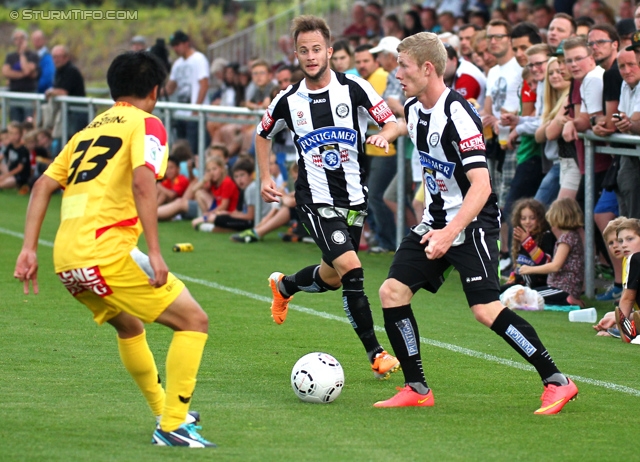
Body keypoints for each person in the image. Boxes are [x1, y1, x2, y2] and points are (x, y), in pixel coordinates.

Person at [13, 51, 215, 447]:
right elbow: (144, 182)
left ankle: (167, 411)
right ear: (155, 90)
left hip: (66, 257)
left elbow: (41, 187)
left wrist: (28, 249)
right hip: (106, 254)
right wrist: (155, 251)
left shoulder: (86, 132)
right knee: (194, 321)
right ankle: (173, 426)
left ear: (113, 88)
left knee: (129, 326)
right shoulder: (149, 124)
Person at [373, 32, 578, 414]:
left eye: (403, 66)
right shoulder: (416, 107)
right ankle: (417, 387)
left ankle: (558, 381)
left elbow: (481, 187)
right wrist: (387, 132)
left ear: (427, 68)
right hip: (436, 222)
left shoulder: (458, 113)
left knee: (485, 310)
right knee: (392, 292)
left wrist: (451, 233)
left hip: (472, 225)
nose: (396, 73)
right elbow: (409, 127)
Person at [256, 15, 401, 379]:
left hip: (354, 198)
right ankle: (376, 353)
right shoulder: (288, 99)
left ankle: (285, 285)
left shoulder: (356, 88)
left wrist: (388, 135)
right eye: (303, 50)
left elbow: (395, 121)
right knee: (352, 270)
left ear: (330, 52)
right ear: (296, 55)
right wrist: (265, 176)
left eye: (317, 49)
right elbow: (262, 134)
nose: (310, 56)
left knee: (333, 276)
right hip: (313, 198)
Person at [519, 198, 585, 307]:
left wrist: (530, 269)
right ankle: (568, 299)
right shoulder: (571, 236)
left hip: (562, 288)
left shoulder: (566, 239)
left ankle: (568, 299)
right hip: (561, 287)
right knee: (529, 295)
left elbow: (555, 266)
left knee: (528, 297)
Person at [194, 156, 269, 232]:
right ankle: (212, 225)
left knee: (220, 219)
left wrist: (228, 214)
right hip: (245, 218)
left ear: (251, 175)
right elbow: (195, 191)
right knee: (220, 218)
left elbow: (250, 216)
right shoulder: (245, 189)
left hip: (254, 222)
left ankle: (212, 226)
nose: (239, 179)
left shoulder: (251, 188)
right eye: (236, 176)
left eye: (242, 175)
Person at [166, 30, 210, 154]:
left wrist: (195, 109)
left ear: (186, 43)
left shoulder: (199, 59)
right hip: (181, 113)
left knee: (193, 150)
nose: (175, 48)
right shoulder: (177, 64)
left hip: (194, 114)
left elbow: (204, 85)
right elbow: (170, 88)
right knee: (180, 150)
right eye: (173, 45)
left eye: (178, 44)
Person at [502, 198, 556, 291]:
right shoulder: (522, 235)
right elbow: (519, 263)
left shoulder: (546, 235)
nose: (527, 221)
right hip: (520, 283)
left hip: (538, 283)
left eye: (532, 218)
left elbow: (546, 262)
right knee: (496, 292)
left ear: (540, 218)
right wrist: (512, 278)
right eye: (523, 218)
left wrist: (527, 241)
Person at [46, 45, 88, 137]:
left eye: (58, 57)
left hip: (77, 112)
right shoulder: (58, 71)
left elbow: (63, 92)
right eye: (54, 57)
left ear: (66, 57)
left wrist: (50, 92)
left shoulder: (71, 71)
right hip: (67, 112)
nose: (56, 60)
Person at [2, 29, 39, 123]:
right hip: (14, 93)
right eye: (16, 39)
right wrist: (22, 74)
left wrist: (22, 54)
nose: (19, 41)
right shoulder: (10, 56)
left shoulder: (33, 56)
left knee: (28, 122)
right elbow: (5, 72)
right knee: (15, 122)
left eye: (22, 38)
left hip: (28, 93)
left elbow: (27, 70)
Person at [613, 218, 640, 343]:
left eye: (630, 239)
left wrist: (620, 328)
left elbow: (628, 298)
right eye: (620, 241)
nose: (623, 245)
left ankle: (632, 331)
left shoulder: (634, 259)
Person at [0, 121, 31, 190]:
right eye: (11, 133)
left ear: (21, 134)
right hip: (10, 173)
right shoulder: (10, 146)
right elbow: (2, 157)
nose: (13, 136)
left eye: (16, 134)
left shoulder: (23, 149)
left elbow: (19, 168)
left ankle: (18, 185)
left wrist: (6, 176)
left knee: (2, 183)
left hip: (19, 176)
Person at [30, 30, 55, 94]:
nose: (36, 41)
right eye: (34, 39)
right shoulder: (33, 56)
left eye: (39, 39)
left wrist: (35, 88)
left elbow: (48, 78)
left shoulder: (47, 58)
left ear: (44, 40)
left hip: (43, 93)